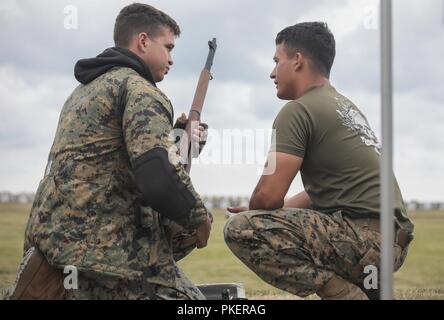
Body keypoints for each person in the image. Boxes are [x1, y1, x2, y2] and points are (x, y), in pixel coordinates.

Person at [6, 3, 212, 300]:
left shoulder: (83, 92)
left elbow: (111, 163)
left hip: (53, 249)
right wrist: (200, 219)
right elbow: (156, 173)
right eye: (168, 47)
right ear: (143, 41)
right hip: (104, 256)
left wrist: (178, 141)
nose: (171, 59)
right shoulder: (141, 90)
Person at [224, 22, 414, 300]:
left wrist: (255, 214)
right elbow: (325, 191)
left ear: (297, 60)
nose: (272, 72)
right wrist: (275, 212)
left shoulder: (297, 110)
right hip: (391, 242)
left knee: (241, 229)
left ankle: (346, 295)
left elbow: (267, 197)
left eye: (277, 61)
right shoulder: (343, 106)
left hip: (363, 240)